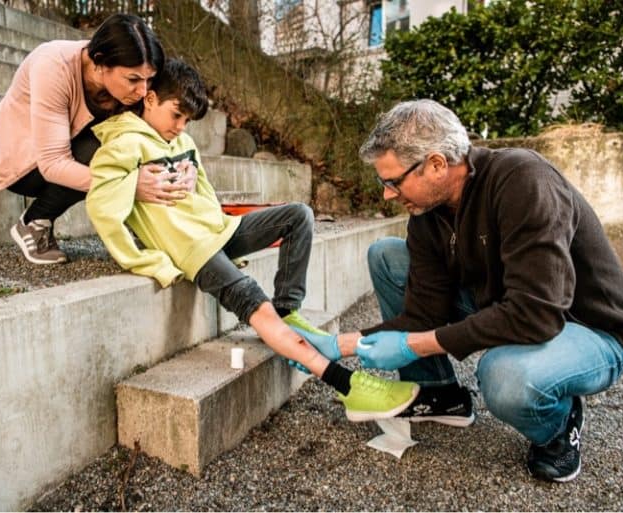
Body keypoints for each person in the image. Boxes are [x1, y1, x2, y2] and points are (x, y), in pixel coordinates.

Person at [291, 99, 623, 482]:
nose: (388, 194)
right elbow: (423, 315)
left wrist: (411, 346)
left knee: (505, 377)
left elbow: (535, 314)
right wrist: (339, 345)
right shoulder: (427, 214)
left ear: (437, 164)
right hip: (506, 302)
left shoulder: (523, 180)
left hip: (584, 327)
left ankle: (558, 425)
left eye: (394, 181)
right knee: (388, 257)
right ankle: (440, 393)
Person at [84, 58, 420, 421]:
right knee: (254, 303)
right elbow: (102, 209)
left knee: (298, 216)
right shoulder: (122, 146)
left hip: (220, 231)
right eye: (176, 115)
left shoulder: (179, 140)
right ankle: (348, 386)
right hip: (193, 251)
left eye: (187, 121)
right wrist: (144, 260)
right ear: (149, 99)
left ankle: (287, 312)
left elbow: (205, 192)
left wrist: (196, 180)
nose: (181, 128)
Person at [0, 13, 187, 265]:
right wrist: (129, 185)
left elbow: (161, 130)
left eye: (149, 79)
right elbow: (53, 163)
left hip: (75, 143)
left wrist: (187, 166)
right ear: (100, 63)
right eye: (133, 79)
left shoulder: (131, 81)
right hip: (24, 161)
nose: (143, 90)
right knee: (108, 151)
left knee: (132, 136)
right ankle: (35, 220)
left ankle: (156, 230)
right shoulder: (53, 66)